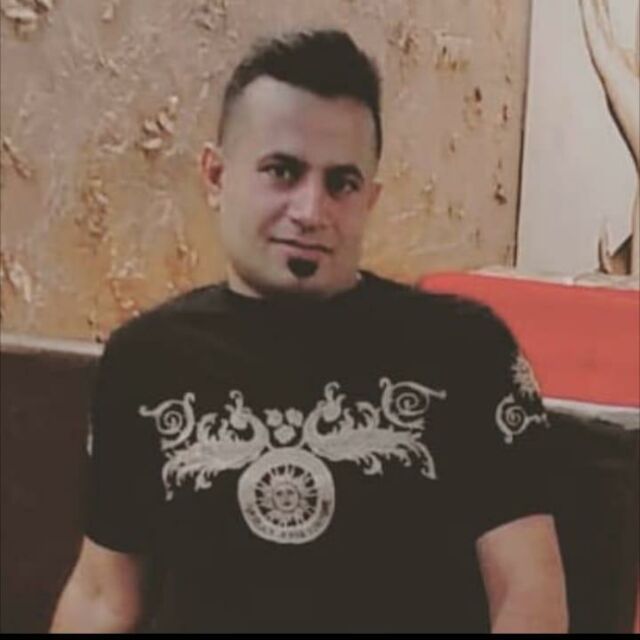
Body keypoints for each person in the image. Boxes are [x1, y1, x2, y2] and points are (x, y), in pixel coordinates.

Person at [50, 29, 567, 633]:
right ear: (215, 177)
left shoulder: (464, 350)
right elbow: (103, 595)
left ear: (370, 198)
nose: (310, 211)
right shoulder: (145, 361)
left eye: (341, 183)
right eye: (282, 171)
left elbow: (528, 592)